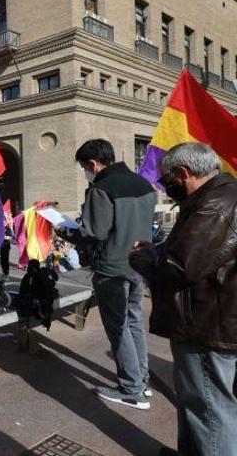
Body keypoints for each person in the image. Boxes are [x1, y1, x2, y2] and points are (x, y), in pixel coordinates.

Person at [128, 142, 237, 455]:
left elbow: (182, 265)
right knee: (198, 402)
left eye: (166, 180)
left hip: (207, 323)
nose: (166, 186)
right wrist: (156, 249)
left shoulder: (216, 205)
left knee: (209, 409)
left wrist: (142, 258)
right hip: (213, 316)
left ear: (184, 173)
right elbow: (201, 253)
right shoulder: (220, 196)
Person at [58, 138, 156, 410]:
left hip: (113, 268)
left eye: (83, 167)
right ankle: (141, 380)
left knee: (118, 327)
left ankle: (131, 389)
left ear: (92, 163)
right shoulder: (143, 184)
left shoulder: (100, 189)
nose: (85, 173)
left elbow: (94, 233)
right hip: (140, 264)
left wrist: (63, 230)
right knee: (134, 321)